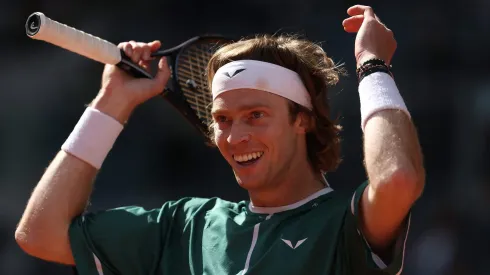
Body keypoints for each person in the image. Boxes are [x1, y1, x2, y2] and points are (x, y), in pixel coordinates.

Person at [15, 5, 425, 275]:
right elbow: (40, 233)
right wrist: (111, 103)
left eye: (256, 116)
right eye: (222, 119)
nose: (235, 135)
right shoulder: (184, 226)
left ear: (301, 120)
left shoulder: (344, 224)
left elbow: (397, 180)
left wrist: (372, 67)